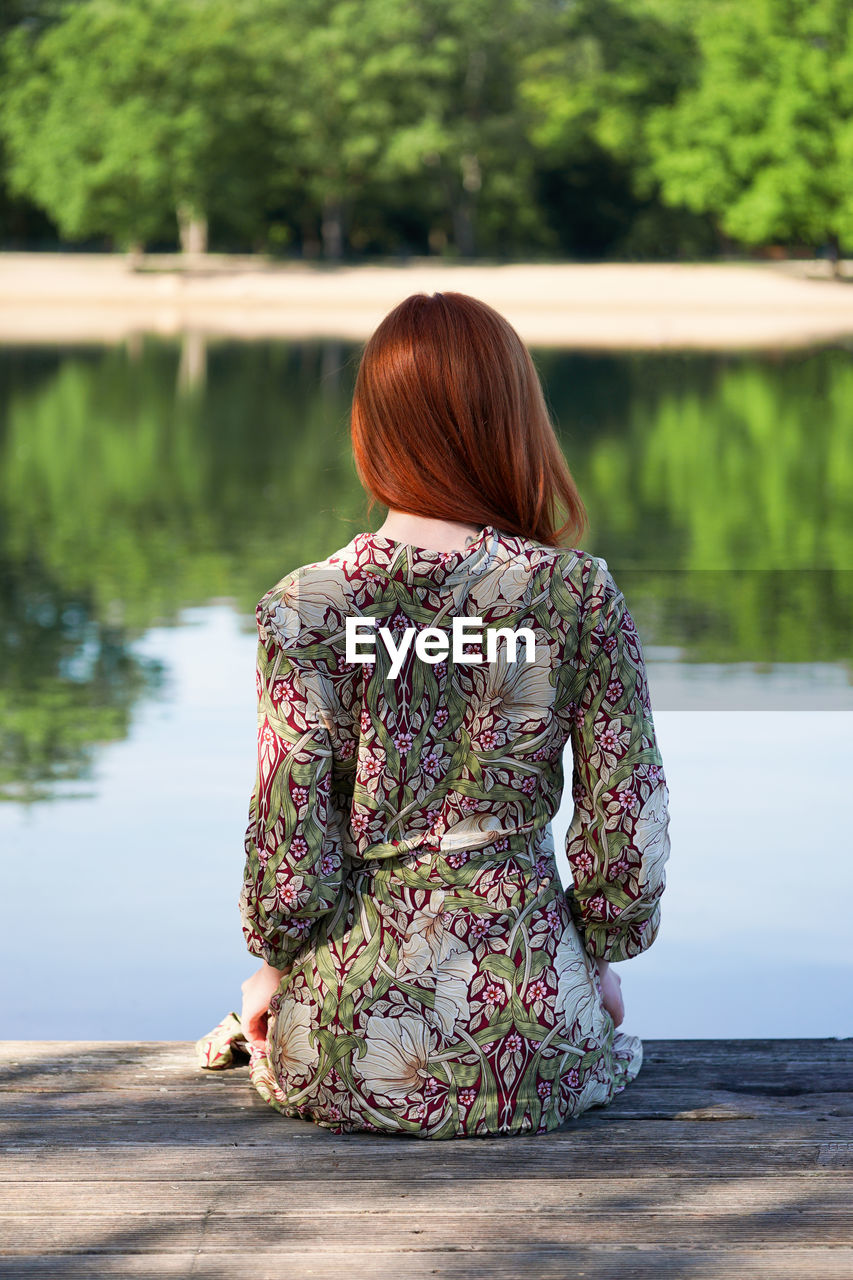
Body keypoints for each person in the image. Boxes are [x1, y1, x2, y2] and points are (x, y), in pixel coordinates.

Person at [197, 291, 671, 1138]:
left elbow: (289, 838)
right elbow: (624, 828)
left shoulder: (308, 605)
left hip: (351, 1045)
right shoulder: (576, 594)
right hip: (536, 1039)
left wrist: (270, 967)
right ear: (514, 419)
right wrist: (593, 957)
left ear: (372, 427)